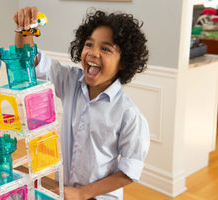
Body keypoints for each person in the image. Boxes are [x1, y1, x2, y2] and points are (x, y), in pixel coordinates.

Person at [14, 7, 150, 200]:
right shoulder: (70, 82)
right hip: (64, 191)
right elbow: (30, 62)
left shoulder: (129, 114)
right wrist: (24, 29)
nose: (93, 53)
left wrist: (82, 194)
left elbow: (129, 170)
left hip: (99, 197)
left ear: (123, 63)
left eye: (105, 48)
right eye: (89, 44)